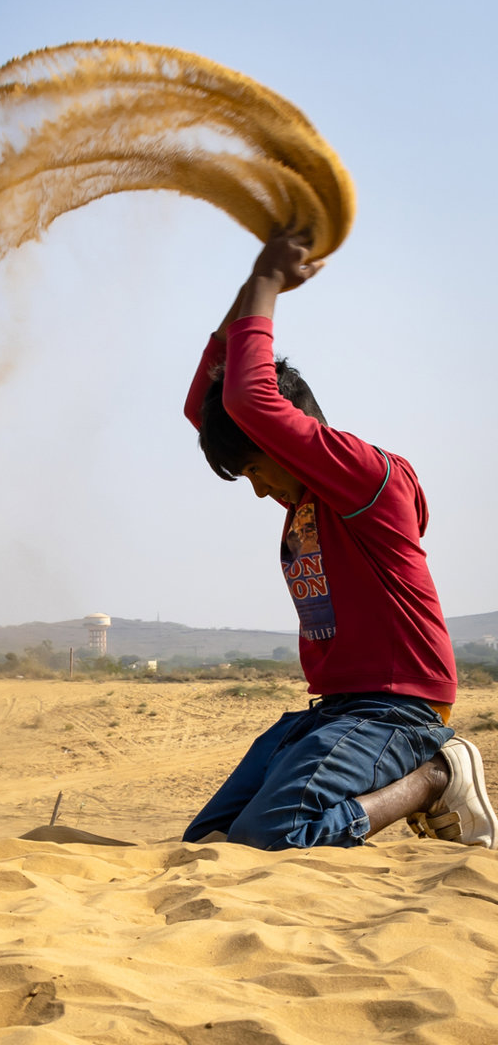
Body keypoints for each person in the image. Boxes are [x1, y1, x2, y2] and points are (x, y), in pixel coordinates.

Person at [182, 229, 497, 850]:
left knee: (271, 838)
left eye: (254, 469)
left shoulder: (363, 479)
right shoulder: (302, 498)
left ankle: (436, 777)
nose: (255, 490)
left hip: (396, 710)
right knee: (208, 839)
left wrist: (271, 282)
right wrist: (249, 285)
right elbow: (209, 404)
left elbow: (247, 399)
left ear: (285, 434)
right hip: (335, 711)